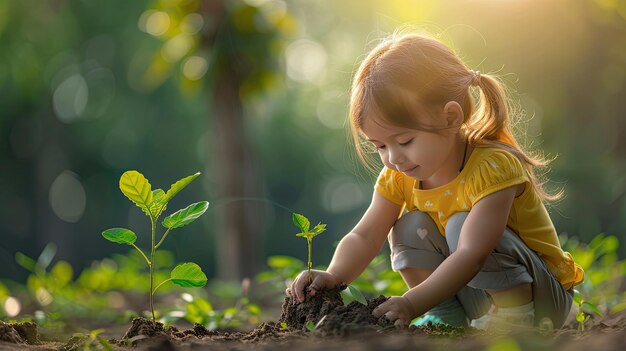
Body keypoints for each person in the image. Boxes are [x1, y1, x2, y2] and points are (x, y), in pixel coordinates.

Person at [286, 31, 584, 331]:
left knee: (459, 225)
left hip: (543, 298)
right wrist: (334, 275)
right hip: (478, 294)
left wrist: (412, 302)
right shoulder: (399, 176)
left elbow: (473, 254)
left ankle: (517, 318)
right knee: (407, 227)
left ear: (451, 118)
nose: (393, 158)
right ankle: (447, 316)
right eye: (380, 146)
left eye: (405, 140)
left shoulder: (493, 167)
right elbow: (365, 236)